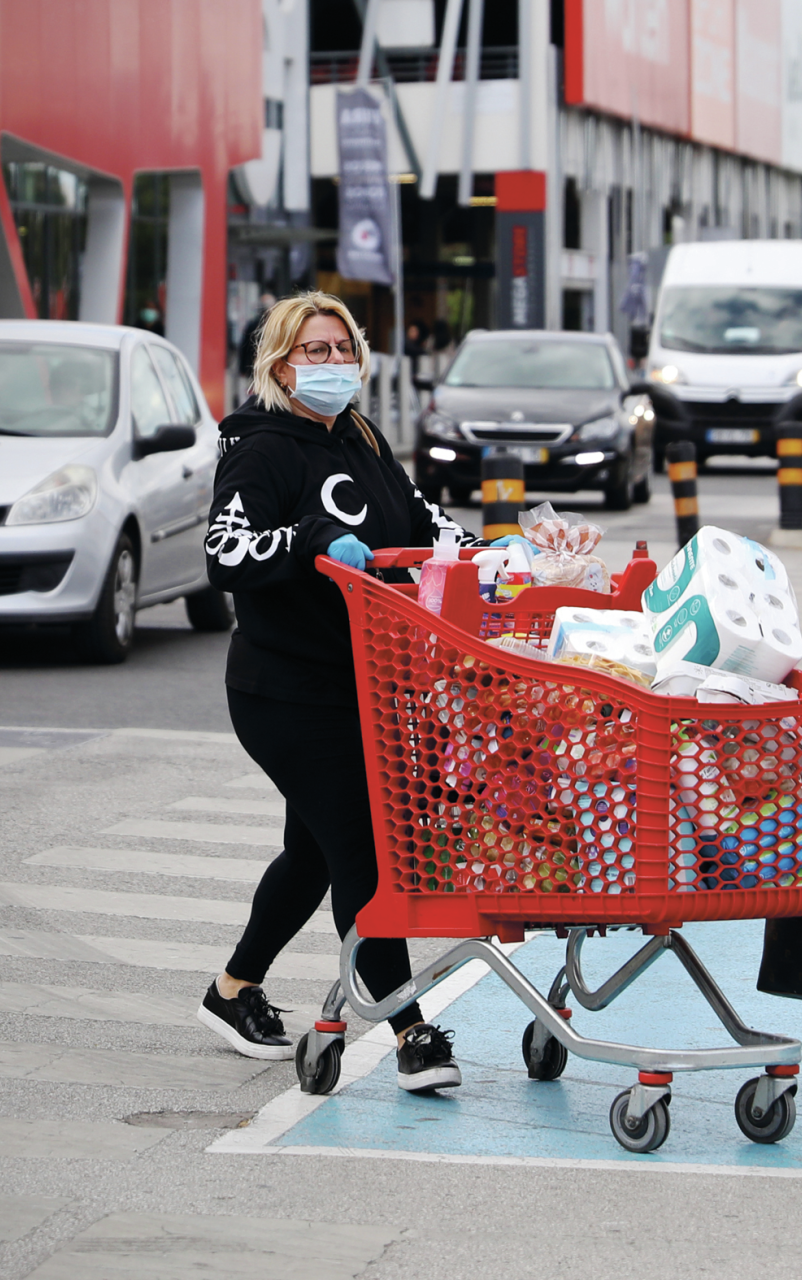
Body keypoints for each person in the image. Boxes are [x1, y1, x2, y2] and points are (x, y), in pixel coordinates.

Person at [197, 291, 506, 1092]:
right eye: (315, 350)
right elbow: (227, 553)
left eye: (343, 349)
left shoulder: (363, 440)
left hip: (363, 683)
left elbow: (423, 525)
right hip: (282, 690)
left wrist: (504, 556)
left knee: (313, 851)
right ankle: (411, 1032)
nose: (333, 364)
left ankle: (233, 990)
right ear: (279, 362)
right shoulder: (259, 448)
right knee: (363, 850)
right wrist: (308, 540)